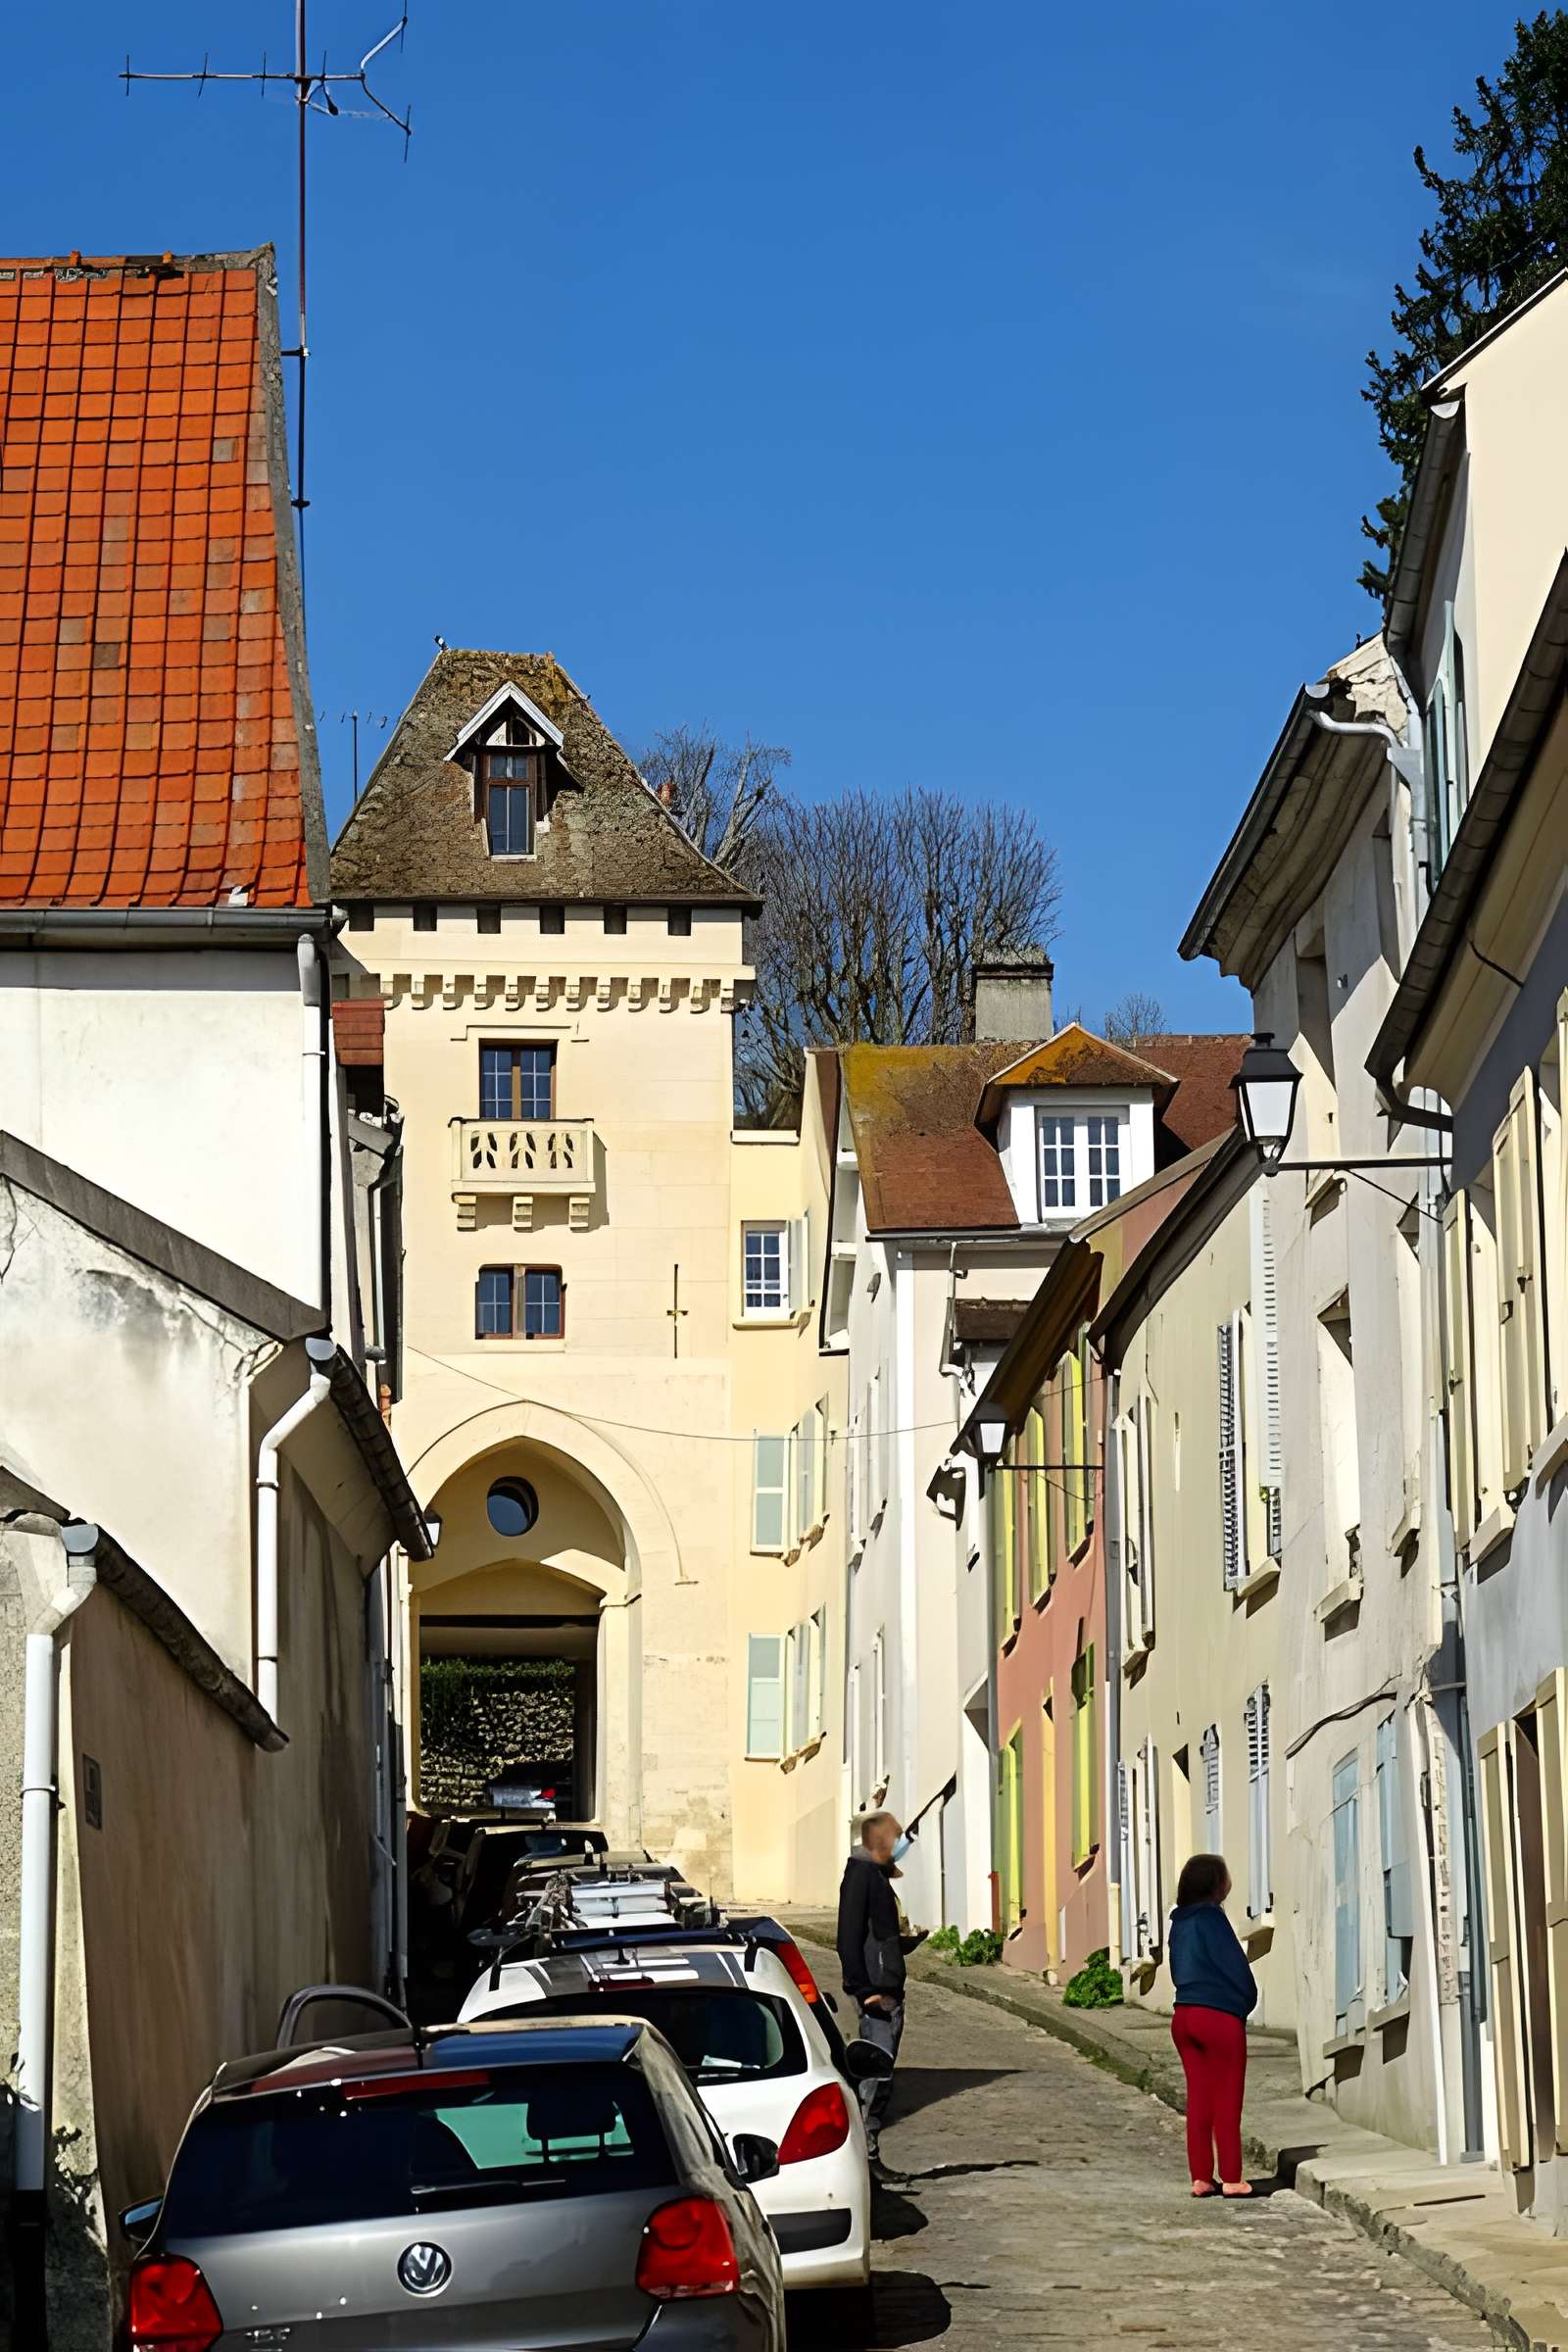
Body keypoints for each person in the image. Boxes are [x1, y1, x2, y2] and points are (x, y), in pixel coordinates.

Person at [1168, 1852, 1258, 2198]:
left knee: (1199, 2099)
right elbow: (1233, 1965)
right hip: (1217, 2015)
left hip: (1184, 2014)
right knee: (1227, 2098)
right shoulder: (1212, 1919)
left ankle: (1201, 2177)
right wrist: (1246, 2002)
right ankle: (1233, 2177)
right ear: (1217, 1884)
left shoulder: (1179, 1923)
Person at [836, 1810, 920, 2164]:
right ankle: (864, 2157)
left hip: (885, 1985)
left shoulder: (875, 1875)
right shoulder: (862, 1876)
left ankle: (869, 2154)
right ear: (878, 1841)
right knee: (876, 2070)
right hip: (876, 1991)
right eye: (896, 1836)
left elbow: (878, 1934)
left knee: (882, 2071)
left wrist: (900, 1944)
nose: (901, 1843)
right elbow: (848, 1937)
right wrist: (863, 1988)